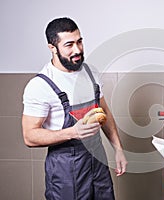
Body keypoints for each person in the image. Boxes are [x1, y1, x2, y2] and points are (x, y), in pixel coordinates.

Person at [22, 17, 127, 200]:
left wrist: (118, 148)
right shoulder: (40, 85)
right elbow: (29, 136)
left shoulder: (90, 72)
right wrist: (72, 132)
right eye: (69, 45)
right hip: (66, 170)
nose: (77, 50)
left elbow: (104, 113)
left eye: (79, 42)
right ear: (52, 48)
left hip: (97, 162)